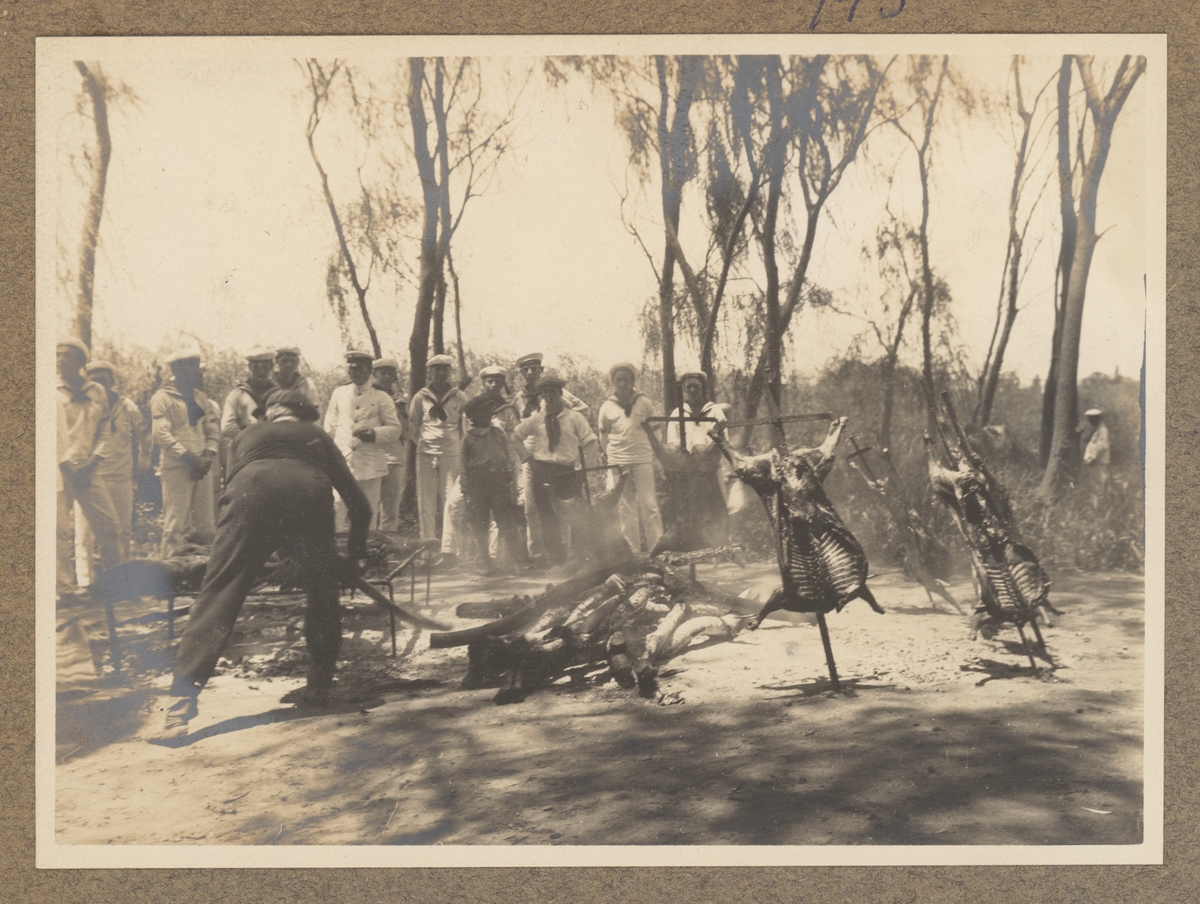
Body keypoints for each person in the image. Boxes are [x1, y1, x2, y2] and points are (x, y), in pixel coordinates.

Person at [152, 388, 373, 743]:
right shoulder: (316, 436)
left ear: (271, 414)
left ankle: (178, 708)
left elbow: (238, 493)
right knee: (322, 590)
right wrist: (354, 556)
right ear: (305, 416)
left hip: (248, 492)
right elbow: (360, 506)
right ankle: (319, 686)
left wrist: (244, 552)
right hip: (308, 493)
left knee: (218, 594)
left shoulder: (244, 436)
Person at [512, 370, 602, 568]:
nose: (549, 396)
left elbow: (590, 440)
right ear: (542, 395)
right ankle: (557, 563)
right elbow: (516, 436)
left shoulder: (574, 418)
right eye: (545, 392)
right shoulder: (537, 419)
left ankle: (579, 559)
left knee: (574, 517)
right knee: (547, 518)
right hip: (542, 472)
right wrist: (528, 459)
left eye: (553, 391)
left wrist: (585, 469)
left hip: (567, 472)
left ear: (560, 393)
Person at [56, 338, 123, 592]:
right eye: (57, 355)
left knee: (109, 526)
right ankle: (63, 590)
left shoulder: (97, 391)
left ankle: (116, 584)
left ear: (81, 361)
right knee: (59, 531)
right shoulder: (49, 390)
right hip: (60, 471)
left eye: (66, 355)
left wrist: (93, 461)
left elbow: (105, 429)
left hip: (88, 469)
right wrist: (67, 466)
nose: (60, 360)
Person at [74, 360, 148, 579]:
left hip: (120, 478)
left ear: (112, 381)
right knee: (84, 535)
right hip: (89, 477)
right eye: (95, 380)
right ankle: (85, 582)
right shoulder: (84, 404)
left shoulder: (128, 407)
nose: (100, 386)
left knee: (122, 531)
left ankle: (120, 580)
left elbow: (145, 437)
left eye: (104, 380)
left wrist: (143, 463)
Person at [150, 348, 221, 558]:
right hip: (177, 467)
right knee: (175, 526)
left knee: (206, 526)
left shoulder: (202, 398)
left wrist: (207, 456)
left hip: (202, 467)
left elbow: (212, 430)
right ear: (177, 371)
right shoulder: (162, 398)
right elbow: (161, 434)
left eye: (196, 367)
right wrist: (190, 458)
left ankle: (202, 570)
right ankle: (169, 570)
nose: (196, 372)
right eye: (190, 368)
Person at [323, 349, 403, 532]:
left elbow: (395, 429)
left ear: (369, 370)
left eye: (359, 368)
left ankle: (365, 549)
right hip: (343, 462)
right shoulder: (339, 393)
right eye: (351, 368)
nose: (354, 372)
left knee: (368, 515)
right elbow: (330, 426)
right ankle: (336, 549)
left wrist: (374, 434)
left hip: (371, 464)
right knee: (336, 510)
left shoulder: (381, 397)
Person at [597, 362, 663, 557]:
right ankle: (633, 553)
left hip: (642, 458)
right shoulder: (607, 406)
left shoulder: (644, 402)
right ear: (613, 382)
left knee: (649, 504)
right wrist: (611, 456)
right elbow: (603, 436)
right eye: (619, 380)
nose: (623, 383)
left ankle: (657, 550)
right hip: (619, 461)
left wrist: (655, 454)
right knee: (625, 506)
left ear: (632, 381)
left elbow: (655, 430)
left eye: (626, 379)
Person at [408, 354, 469, 562]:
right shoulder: (421, 397)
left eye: (445, 369)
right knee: (426, 501)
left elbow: (464, 427)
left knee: (451, 500)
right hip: (426, 453)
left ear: (450, 371)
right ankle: (427, 550)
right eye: (437, 369)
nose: (441, 373)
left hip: (451, 453)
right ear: (431, 372)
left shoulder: (459, 396)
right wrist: (425, 443)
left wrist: (460, 449)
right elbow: (413, 426)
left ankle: (451, 551)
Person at [664, 371, 729, 547]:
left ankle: (722, 546)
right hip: (688, 471)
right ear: (684, 389)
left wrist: (709, 460)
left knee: (717, 508)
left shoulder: (714, 410)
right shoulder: (678, 413)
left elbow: (723, 440)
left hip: (711, 467)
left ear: (702, 388)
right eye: (688, 387)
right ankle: (696, 546)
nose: (692, 390)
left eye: (696, 386)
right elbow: (673, 444)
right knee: (691, 510)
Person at [460, 393, 523, 575]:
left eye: (490, 411)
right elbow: (463, 466)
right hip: (477, 483)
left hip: (498, 482)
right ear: (474, 416)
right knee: (480, 522)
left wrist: (510, 481)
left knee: (506, 521)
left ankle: (515, 562)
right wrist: (465, 489)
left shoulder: (498, 433)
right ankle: (486, 563)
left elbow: (507, 456)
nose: (489, 414)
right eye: (484, 411)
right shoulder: (468, 438)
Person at [220, 347, 278, 483]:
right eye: (256, 367)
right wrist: (251, 438)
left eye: (265, 367)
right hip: (246, 451)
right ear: (249, 367)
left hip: (273, 451)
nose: (261, 371)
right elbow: (227, 427)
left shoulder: (278, 394)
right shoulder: (237, 394)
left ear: (271, 367)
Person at [371, 357, 409, 533]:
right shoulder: (368, 396)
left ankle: (387, 543)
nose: (386, 377)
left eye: (390, 373)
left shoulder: (399, 399)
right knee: (369, 505)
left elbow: (406, 433)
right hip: (371, 455)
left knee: (390, 509)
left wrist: (402, 411)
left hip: (393, 456)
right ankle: (367, 543)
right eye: (383, 373)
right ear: (374, 374)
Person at [1082, 407, 1111, 503]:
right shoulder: (1098, 430)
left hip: (1098, 462)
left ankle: (1100, 505)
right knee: (1097, 483)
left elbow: (1101, 446)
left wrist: (1092, 458)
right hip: (1096, 462)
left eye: (1091, 419)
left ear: (1096, 418)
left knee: (1098, 483)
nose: (1090, 421)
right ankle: (1099, 503)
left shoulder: (1102, 431)